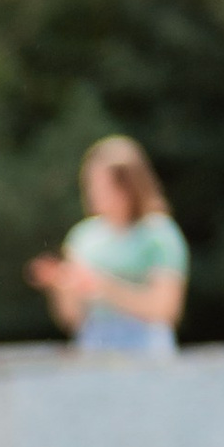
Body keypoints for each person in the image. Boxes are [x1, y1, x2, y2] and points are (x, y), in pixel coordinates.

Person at [29, 135, 189, 356]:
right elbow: (72, 318)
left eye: (101, 185)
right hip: (95, 346)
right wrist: (61, 285)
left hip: (146, 349)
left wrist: (103, 287)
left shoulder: (159, 234)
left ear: (128, 187)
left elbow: (165, 309)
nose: (92, 193)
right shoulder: (83, 237)